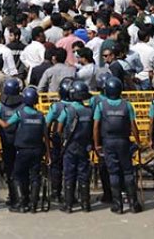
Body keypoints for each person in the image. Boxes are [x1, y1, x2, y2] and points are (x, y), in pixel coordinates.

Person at [0, 87, 49, 214]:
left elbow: (5, 125)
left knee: (17, 175)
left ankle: (20, 203)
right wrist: (48, 153)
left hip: (22, 149)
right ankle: (33, 204)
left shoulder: (20, 113)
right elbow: (46, 136)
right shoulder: (41, 116)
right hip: (37, 150)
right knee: (35, 177)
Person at [93, 76, 141, 214]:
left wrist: (97, 144)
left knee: (113, 172)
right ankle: (133, 204)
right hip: (123, 141)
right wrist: (137, 142)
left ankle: (117, 205)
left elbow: (96, 126)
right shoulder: (127, 105)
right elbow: (133, 125)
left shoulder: (101, 106)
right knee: (127, 171)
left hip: (108, 141)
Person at [56, 80, 93, 213]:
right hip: (84, 146)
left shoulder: (68, 110)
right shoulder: (89, 111)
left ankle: (68, 205)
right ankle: (85, 204)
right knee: (83, 175)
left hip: (70, 147)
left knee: (69, 175)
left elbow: (59, 129)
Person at [0, 78, 23, 209]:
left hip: (7, 142)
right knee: (20, 171)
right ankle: (21, 197)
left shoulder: (0, 106)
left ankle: (14, 197)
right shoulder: (23, 106)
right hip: (20, 142)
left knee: (10, 170)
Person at [44, 77, 73, 204]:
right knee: (72, 168)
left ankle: (56, 193)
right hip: (74, 141)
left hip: (58, 141)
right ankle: (71, 195)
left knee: (56, 167)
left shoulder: (55, 107)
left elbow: (47, 125)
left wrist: (47, 140)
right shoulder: (78, 106)